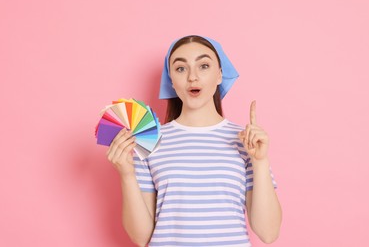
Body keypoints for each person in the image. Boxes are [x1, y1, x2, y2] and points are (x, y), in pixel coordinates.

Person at [106, 35, 282, 246]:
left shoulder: (246, 142)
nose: (192, 77)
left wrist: (260, 162)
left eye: (204, 66)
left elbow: (268, 233)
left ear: (219, 75)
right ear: (171, 80)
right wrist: (126, 175)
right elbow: (142, 237)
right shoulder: (150, 140)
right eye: (181, 68)